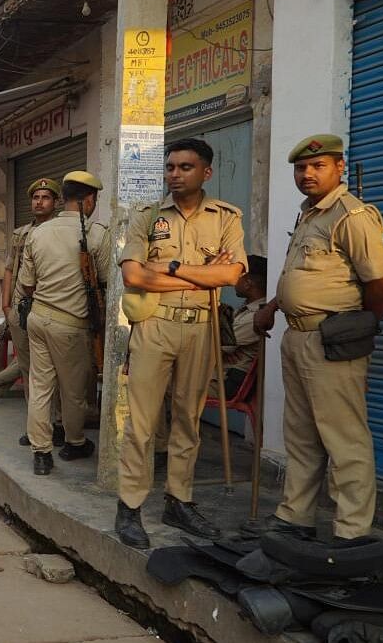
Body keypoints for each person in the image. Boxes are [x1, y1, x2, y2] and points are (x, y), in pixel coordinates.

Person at [251, 134, 383, 541]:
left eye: (318, 166)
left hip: (333, 339)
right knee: (300, 435)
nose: (308, 174)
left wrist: (361, 328)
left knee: (344, 438)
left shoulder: (352, 216)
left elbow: (380, 285)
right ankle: (296, 517)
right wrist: (273, 305)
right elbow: (306, 277)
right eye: (301, 168)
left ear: (339, 168)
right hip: (297, 338)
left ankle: (352, 532)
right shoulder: (310, 214)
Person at [114, 138, 246, 549]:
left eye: (185, 167)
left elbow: (232, 277)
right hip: (155, 325)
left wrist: (169, 266)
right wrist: (199, 274)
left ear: (206, 172)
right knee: (142, 422)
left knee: (189, 420)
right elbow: (133, 277)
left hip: (201, 327)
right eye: (170, 166)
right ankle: (130, 506)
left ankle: (179, 500)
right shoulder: (146, 216)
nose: (174, 173)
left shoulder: (226, 218)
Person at [18, 172, 110, 475]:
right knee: (73, 392)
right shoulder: (96, 233)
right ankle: (74, 441)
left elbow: (27, 285)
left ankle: (41, 453)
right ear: (88, 200)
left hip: (38, 318)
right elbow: (107, 282)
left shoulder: (38, 233)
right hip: (71, 325)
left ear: (63, 199)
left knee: (40, 387)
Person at [0, 178, 59, 417]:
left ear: (56, 202)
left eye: (45, 197)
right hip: (21, 309)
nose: (39, 202)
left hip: (50, 307)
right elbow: (8, 270)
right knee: (28, 362)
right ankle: (35, 418)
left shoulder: (61, 232)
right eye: (36, 198)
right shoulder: (20, 234)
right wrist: (5, 304)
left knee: (39, 363)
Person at [218, 254, 267, 400]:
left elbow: (216, 346)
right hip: (224, 373)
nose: (233, 282)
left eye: (237, 277)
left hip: (230, 381)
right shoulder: (246, 308)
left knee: (168, 383)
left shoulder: (256, 315)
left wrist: (222, 351)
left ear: (248, 283)